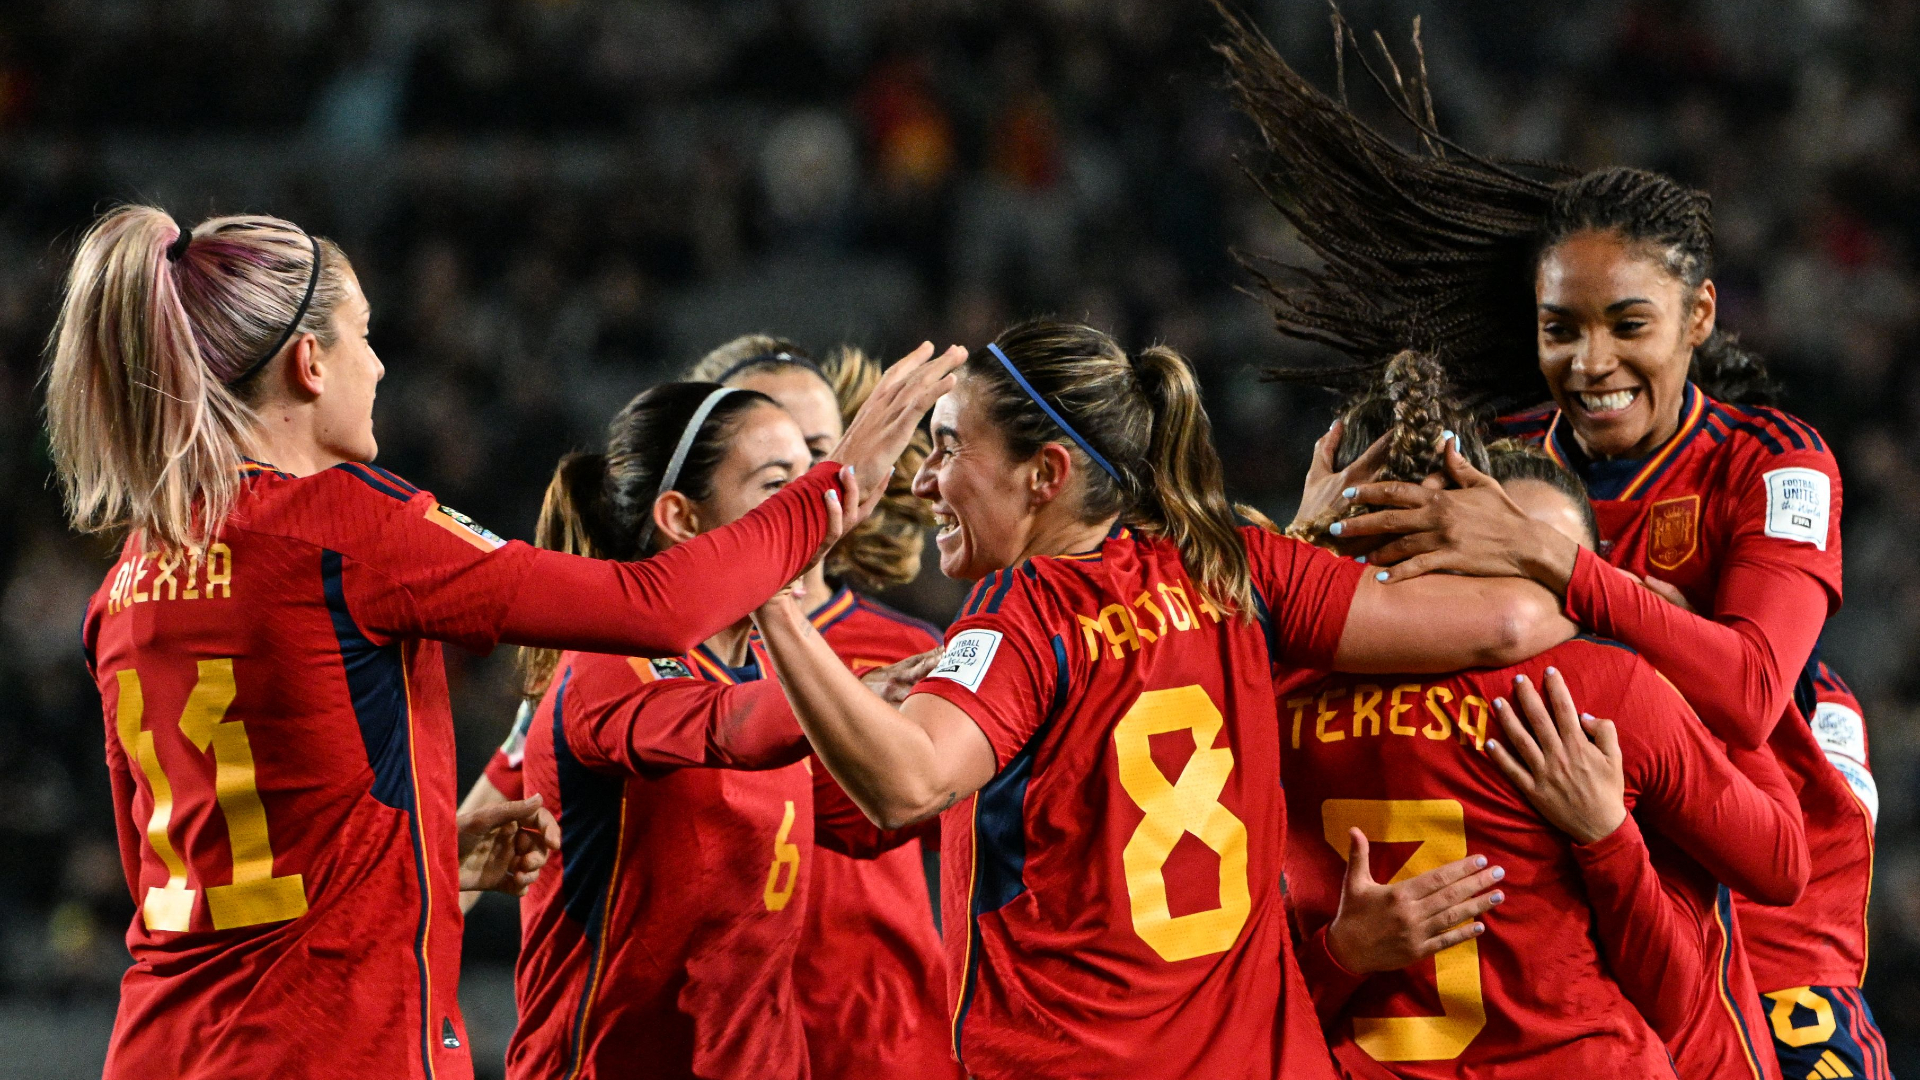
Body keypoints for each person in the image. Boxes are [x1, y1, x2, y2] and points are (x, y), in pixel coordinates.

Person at [47, 205, 959, 1080]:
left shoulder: (127, 581)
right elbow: (653, 604)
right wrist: (837, 487)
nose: (381, 366)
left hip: (161, 1044)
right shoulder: (339, 527)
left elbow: (184, 867)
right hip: (329, 1044)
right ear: (309, 362)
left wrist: (421, 854)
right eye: (364, 336)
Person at [1213, 14, 1881, 1073]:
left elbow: (1755, 691)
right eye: (1560, 328)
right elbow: (1364, 607)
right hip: (1570, 870)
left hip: (1758, 914)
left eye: (1629, 323)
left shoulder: (1773, 464)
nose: (1590, 359)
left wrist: (1558, 565)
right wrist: (1312, 533)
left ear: (1699, 315)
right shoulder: (1504, 460)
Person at [750, 320, 1576, 1080]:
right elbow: (1512, 621)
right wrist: (1566, 560)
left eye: (947, 448)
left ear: (1046, 474)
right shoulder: (1242, 571)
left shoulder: (1029, 614)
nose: (923, 483)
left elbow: (908, 786)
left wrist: (772, 590)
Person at [1272, 357, 1803, 1080]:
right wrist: (1611, 833)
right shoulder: (1596, 686)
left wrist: (1339, 956)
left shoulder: (1257, 688)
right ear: (1466, 512)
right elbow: (1773, 872)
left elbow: (1224, 1007)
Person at [505, 381, 934, 1079]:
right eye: (778, 485)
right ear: (681, 515)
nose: (813, 512)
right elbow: (725, 725)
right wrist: (849, 695)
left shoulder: (765, 662)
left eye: (813, 478)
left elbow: (869, 815)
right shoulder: (608, 661)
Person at [684, 336, 958, 1080]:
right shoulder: (646, 655)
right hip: (718, 1048)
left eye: (821, 450)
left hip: (887, 1054)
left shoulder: (906, 647)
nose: (807, 481)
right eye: (777, 461)